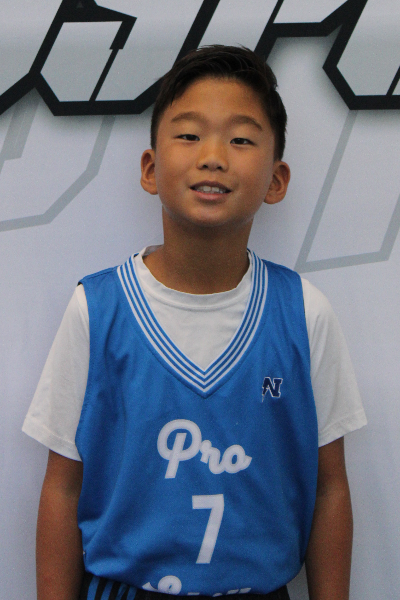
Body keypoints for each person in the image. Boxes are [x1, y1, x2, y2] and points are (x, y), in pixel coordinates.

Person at [23, 45, 367, 600]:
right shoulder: (97, 308)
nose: (213, 156)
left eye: (241, 139)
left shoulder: (305, 313)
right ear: (150, 169)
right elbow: (62, 489)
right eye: (188, 135)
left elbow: (330, 489)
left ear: (276, 179)